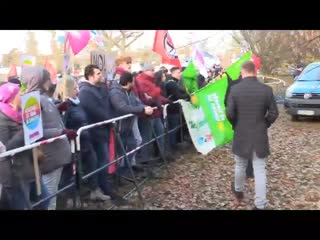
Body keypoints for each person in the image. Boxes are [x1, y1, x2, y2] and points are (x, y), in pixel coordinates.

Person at [226, 61, 279, 210]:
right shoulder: (266, 90)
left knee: (240, 164)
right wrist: (264, 124)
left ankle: (238, 190)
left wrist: (236, 124)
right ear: (255, 72)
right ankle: (260, 205)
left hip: (241, 132)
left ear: (242, 73)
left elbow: (229, 113)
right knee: (260, 169)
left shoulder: (235, 90)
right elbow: (274, 113)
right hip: (259, 133)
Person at [21, 66, 74, 210]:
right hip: (49, 155)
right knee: (49, 195)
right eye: (48, 79)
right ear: (41, 81)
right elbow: (35, 131)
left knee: (53, 192)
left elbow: (45, 118)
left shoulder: (43, 98)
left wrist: (58, 107)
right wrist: (61, 131)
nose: (51, 82)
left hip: (57, 153)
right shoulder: (31, 101)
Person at [79, 64, 127, 206]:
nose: (101, 75)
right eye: (98, 73)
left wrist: (112, 117)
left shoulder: (100, 88)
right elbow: (95, 110)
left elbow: (107, 106)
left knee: (103, 160)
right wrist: (110, 120)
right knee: (100, 160)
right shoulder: (85, 92)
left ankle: (103, 185)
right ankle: (100, 187)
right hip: (95, 132)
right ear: (90, 75)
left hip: (103, 129)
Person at [0, 82, 49, 210]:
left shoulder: (23, 113)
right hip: (14, 173)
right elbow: (5, 148)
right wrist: (26, 131)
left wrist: (36, 126)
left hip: (30, 167)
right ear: (11, 97)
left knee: (45, 200)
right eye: (18, 92)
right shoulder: (2, 118)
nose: (22, 94)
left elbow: (33, 135)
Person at [109, 72, 154, 178]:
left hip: (128, 126)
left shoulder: (130, 92)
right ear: (129, 82)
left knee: (132, 145)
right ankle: (120, 174)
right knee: (120, 152)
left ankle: (126, 170)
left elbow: (136, 103)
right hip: (119, 127)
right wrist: (142, 109)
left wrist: (145, 107)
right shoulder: (115, 93)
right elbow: (121, 108)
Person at [134, 64, 170, 173]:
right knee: (147, 138)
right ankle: (146, 160)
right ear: (146, 71)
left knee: (160, 133)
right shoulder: (141, 81)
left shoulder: (150, 81)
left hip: (155, 112)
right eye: (152, 70)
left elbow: (155, 97)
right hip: (147, 115)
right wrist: (158, 89)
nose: (154, 72)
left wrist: (166, 100)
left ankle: (161, 155)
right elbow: (148, 97)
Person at [165, 67, 190, 154]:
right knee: (173, 128)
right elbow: (178, 94)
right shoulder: (171, 84)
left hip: (175, 108)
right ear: (173, 73)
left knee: (176, 127)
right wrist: (188, 96)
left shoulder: (175, 83)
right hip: (172, 109)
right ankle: (172, 146)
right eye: (178, 73)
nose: (180, 74)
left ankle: (175, 144)